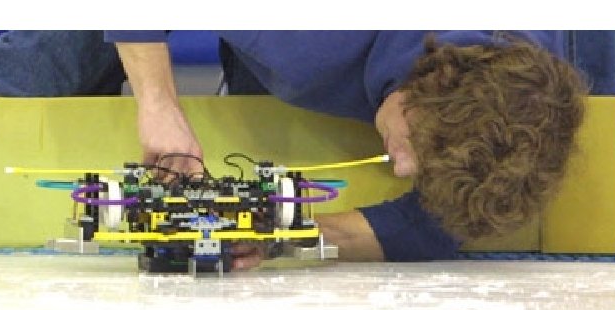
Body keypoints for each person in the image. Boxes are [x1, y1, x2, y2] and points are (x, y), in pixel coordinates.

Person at [104, 31, 587, 270]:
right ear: (427, 86)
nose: (399, 167)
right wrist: (159, 103)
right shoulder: (303, 39)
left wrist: (279, 235)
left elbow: (439, 225)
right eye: (414, 147)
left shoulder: (534, 87)